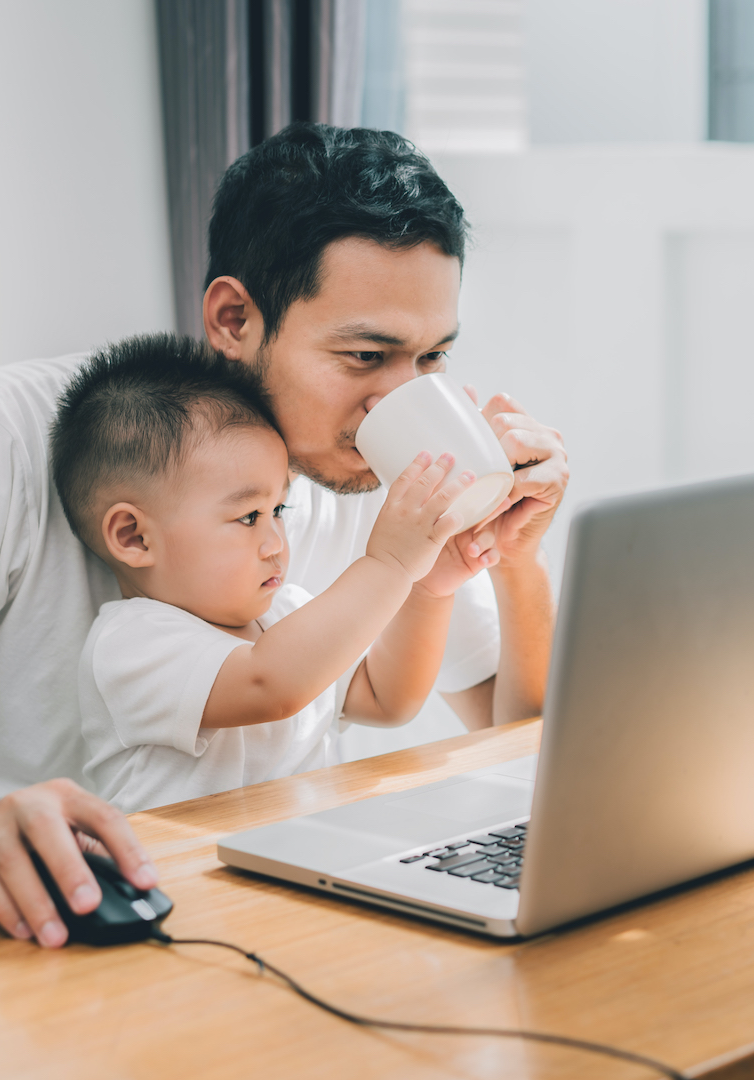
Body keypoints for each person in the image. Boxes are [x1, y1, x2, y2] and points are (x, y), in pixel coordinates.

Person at [0, 123, 567, 948]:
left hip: (256, 919)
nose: (400, 400)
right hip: (5, 941)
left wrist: (516, 561)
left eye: (433, 358)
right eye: (366, 355)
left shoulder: (370, 474)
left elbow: (519, 742)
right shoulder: (3, 433)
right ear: (233, 318)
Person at [53, 335, 494, 812]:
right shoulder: (131, 644)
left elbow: (387, 700)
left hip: (293, 862)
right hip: (179, 880)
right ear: (135, 537)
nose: (276, 542)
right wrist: (388, 564)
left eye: (278, 508)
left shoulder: (290, 612)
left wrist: (426, 587)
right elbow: (271, 684)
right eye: (248, 517)